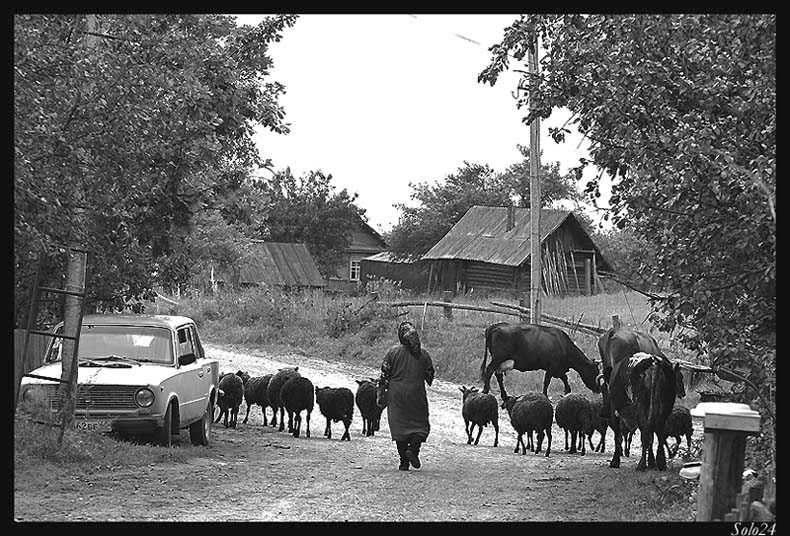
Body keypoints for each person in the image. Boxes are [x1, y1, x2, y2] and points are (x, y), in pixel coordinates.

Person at [377, 321, 435, 471]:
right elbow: (429, 376)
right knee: (420, 424)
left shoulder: (392, 352)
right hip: (416, 392)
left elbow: (384, 375)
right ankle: (413, 450)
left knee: (400, 426)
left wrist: (381, 393)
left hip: (396, 394)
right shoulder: (423, 354)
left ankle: (404, 462)